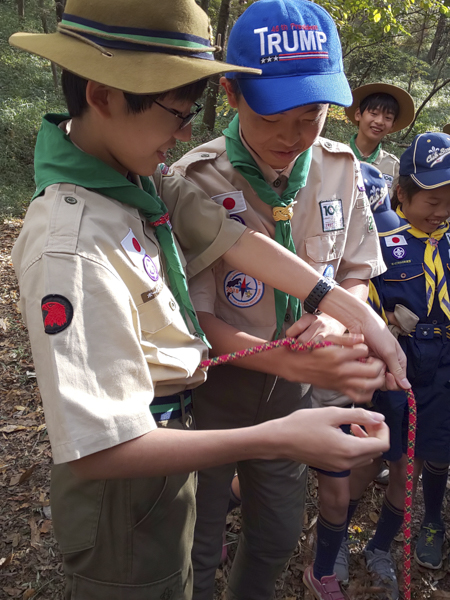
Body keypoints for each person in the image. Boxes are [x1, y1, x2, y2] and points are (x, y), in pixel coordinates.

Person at [9, 0, 404, 597]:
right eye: (176, 113)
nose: (187, 132)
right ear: (103, 94)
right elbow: (98, 449)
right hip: (126, 499)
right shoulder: (72, 248)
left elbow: (231, 237)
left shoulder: (136, 177)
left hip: (170, 458)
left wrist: (350, 309)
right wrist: (278, 436)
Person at [171, 2, 398, 599]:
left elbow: (355, 269)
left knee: (273, 536)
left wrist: (329, 313)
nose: (292, 136)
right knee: (196, 539)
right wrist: (291, 358)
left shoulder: (339, 169)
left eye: (313, 115)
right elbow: (194, 318)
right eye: (274, 113)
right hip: (215, 397)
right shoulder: (197, 180)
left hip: (295, 404)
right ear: (232, 93)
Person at [337, 132, 450, 600]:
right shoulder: (381, 241)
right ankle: (338, 536)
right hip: (391, 373)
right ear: (402, 193)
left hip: (441, 376)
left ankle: (382, 546)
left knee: (410, 470)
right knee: (367, 460)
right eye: (433, 198)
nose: (442, 209)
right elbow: (353, 302)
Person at [345, 83, 415, 197]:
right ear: (358, 114)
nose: (379, 121)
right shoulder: (335, 155)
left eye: (388, 118)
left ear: (393, 125)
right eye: (374, 113)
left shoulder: (394, 167)